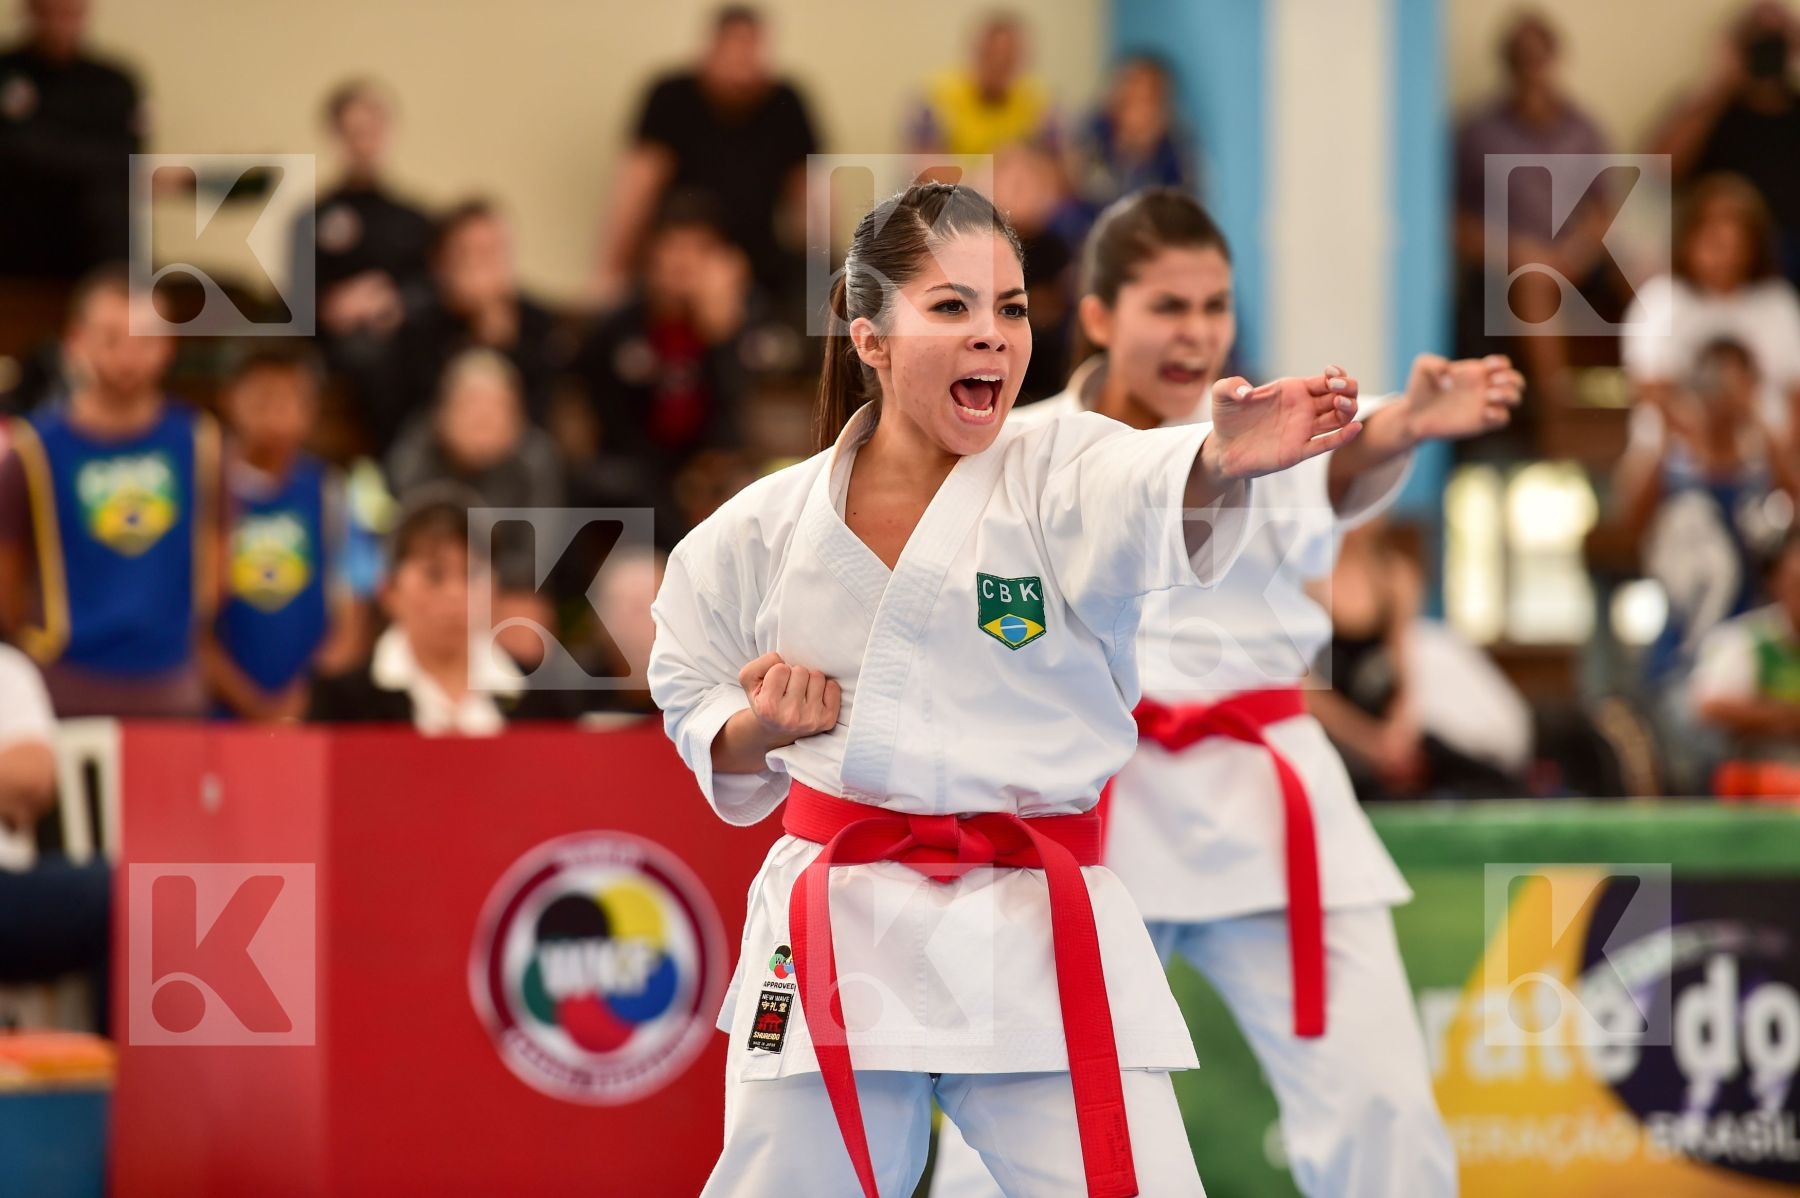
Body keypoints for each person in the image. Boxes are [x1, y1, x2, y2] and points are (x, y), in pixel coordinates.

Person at [648, 181, 1364, 1198]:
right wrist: (755, 727)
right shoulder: (762, 528)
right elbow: (685, 680)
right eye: (952, 307)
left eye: (1013, 308)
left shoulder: (1059, 462)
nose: (993, 334)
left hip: (1032, 919)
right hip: (840, 916)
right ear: (870, 337)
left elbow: (1140, 490)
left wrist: (1215, 463)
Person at [930, 189, 1517, 1197]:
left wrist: (1404, 424)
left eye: (1215, 307)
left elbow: (1333, 469)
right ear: (1103, 315)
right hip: (1090, 809)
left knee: (1379, 1105)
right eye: (1169, 307)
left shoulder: (1260, 423)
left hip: (1266, 801)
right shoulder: (1017, 451)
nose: (1197, 333)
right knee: (1016, 1122)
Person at [0, 268, 220, 718]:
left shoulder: (201, 442)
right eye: (110, 339)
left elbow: (217, 558)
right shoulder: (31, 451)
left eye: (144, 340)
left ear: (168, 345)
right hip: (63, 690)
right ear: (76, 340)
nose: (127, 358)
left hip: (172, 689)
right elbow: (7, 580)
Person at [590, 5, 818, 308]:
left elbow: (812, 192)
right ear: (711, 49)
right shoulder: (671, 96)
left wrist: (819, 274)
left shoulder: (786, 102)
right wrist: (612, 270)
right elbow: (635, 187)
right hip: (679, 257)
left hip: (759, 263)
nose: (741, 64)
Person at [1453, 9, 1617, 412]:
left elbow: (1604, 206)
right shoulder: (1478, 132)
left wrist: (1582, 248)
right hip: (1508, 264)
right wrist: (1518, 252)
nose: (1532, 69)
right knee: (1534, 279)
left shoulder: (1584, 128)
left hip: (1578, 258)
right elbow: (1454, 222)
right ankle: (1559, 412)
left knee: (1648, 269)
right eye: (1521, 58)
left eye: (1539, 57)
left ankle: (1651, 397)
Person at [306, 492, 579, 731]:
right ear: (389, 591)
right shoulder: (343, 704)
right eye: (434, 575)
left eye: (472, 575)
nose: (455, 594)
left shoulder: (543, 697)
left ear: (495, 590)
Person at [567, 201, 751, 545]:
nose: (683, 262)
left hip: (707, 470)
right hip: (636, 472)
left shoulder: (735, 332)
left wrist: (720, 339)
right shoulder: (616, 330)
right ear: (652, 253)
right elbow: (603, 421)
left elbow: (734, 423)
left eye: (699, 249)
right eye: (674, 246)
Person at [202, 343, 360, 722]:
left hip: (309, 718)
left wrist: (301, 700)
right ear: (229, 398)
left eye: (293, 396)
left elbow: (351, 620)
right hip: (218, 716)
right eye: (264, 395)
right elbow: (185, 625)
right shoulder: (202, 491)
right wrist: (252, 704)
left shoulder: (330, 493)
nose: (279, 409)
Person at [359, 200, 564, 452]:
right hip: (435, 453)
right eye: (469, 254)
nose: (481, 268)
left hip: (512, 455)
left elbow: (539, 412)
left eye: (492, 252)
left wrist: (504, 345)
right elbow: (405, 418)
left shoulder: (536, 322)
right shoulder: (417, 321)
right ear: (441, 263)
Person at [1622, 173, 1800, 439]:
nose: (1724, 256)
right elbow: (1650, 390)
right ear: (1687, 238)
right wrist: (1708, 448)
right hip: (1678, 457)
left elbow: (1794, 397)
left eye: (1735, 244)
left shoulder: (1778, 303)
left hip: (1761, 458)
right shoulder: (1659, 300)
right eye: (1713, 242)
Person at [0, 642, 110, 1033]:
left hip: (9, 892)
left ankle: (120, 1085)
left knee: (122, 890)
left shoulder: (8, 670)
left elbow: (33, 776)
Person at [1651, 1, 1800, 287]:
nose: (1767, 51)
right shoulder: (1712, 110)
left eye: (1776, 40)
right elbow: (1659, 167)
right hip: (1728, 243)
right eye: (1757, 40)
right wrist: (1722, 79)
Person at [0, 0, 143, 279]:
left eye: (71, 12)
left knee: (110, 202)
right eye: (52, 11)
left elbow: (127, 159)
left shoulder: (113, 81)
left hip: (94, 232)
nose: (62, 22)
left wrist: (46, 150)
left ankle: (115, 305)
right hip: (17, 225)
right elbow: (10, 151)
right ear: (31, 10)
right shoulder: (6, 73)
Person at [297, 79, 436, 349]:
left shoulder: (417, 220)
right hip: (331, 351)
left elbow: (434, 291)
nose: (364, 141)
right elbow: (293, 300)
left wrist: (393, 302)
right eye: (355, 130)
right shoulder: (309, 219)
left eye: (373, 129)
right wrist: (331, 305)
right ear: (336, 134)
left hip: (405, 350)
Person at [1691, 530, 1800, 765]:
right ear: (1776, 582)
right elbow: (1709, 705)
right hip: (1762, 769)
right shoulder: (1747, 639)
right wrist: (1785, 717)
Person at [909, 12, 1058, 157]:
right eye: (991, 55)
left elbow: (1060, 168)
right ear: (975, 52)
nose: (998, 65)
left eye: (1008, 59)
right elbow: (923, 165)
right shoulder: (936, 96)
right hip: (960, 180)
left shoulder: (1038, 103)